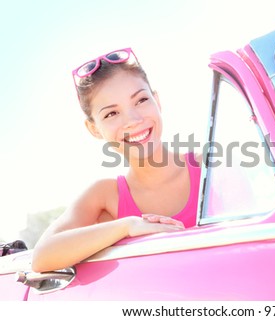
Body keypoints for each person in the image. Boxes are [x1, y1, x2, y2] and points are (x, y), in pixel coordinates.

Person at [32, 48, 200, 272]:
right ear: (94, 129)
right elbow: (42, 257)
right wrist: (126, 226)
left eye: (140, 100)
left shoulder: (208, 168)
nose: (133, 120)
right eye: (111, 113)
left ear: (157, 100)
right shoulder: (105, 196)